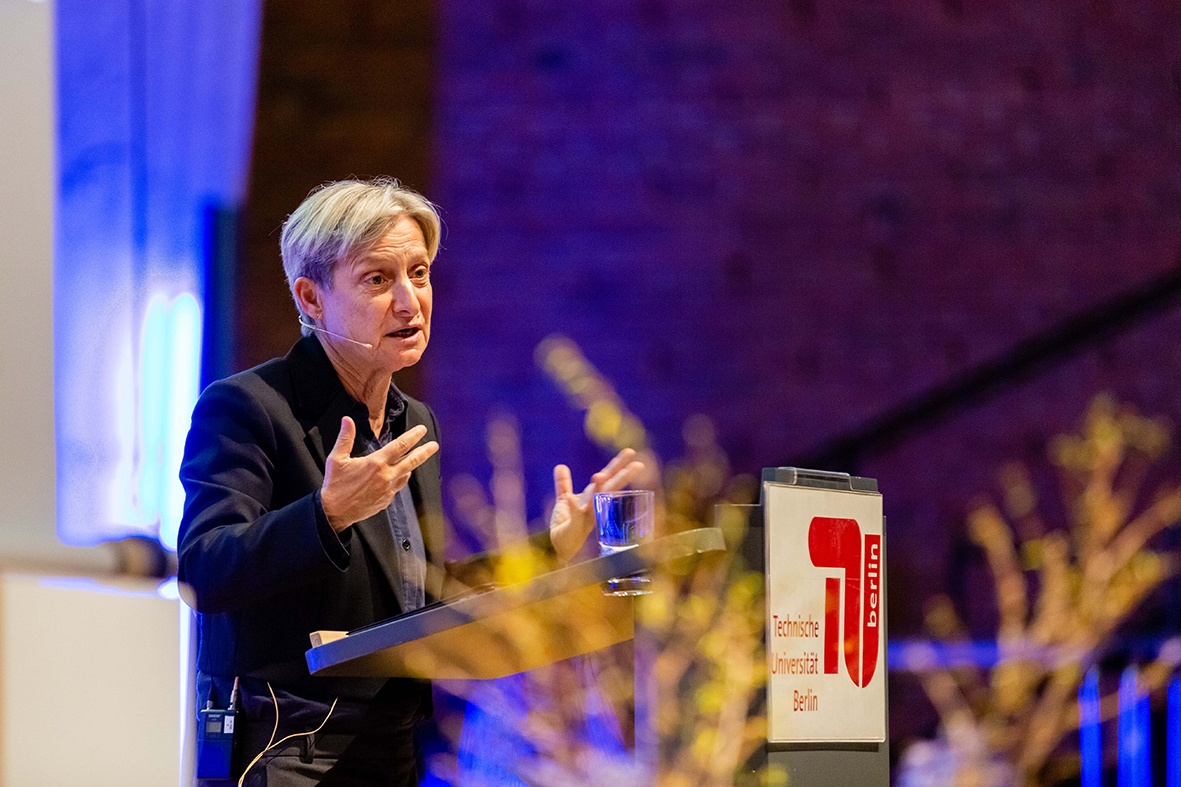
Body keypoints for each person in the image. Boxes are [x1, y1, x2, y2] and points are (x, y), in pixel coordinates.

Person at [177, 178, 643, 785]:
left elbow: (426, 600)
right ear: (311, 299)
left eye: (419, 274)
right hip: (289, 747)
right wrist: (325, 516)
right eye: (378, 279)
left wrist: (545, 548)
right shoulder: (248, 407)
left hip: (395, 746)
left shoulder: (412, 421)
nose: (409, 301)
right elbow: (203, 570)